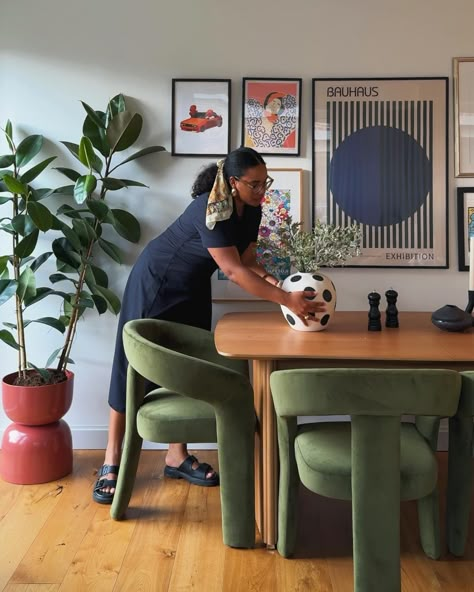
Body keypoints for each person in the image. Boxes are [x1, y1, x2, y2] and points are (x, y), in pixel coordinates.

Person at [92, 147, 326, 504]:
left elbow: (246, 258)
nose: (263, 190)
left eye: (266, 182)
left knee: (188, 364)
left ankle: (176, 456)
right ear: (234, 183)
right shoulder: (210, 209)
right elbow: (232, 271)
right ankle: (112, 459)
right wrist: (286, 300)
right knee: (130, 369)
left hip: (193, 286)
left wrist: (276, 282)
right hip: (157, 282)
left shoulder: (253, 207)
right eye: (255, 184)